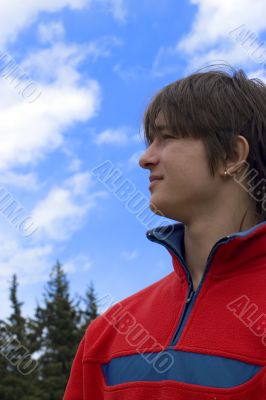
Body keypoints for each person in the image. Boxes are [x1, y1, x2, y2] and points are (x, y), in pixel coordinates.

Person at [64, 66, 266, 399]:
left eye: (167, 137)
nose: (145, 159)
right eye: (149, 142)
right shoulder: (108, 332)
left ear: (231, 155)